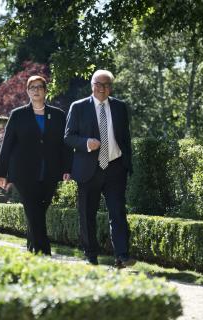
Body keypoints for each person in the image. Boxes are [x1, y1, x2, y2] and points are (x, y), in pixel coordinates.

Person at [64, 69, 134, 268]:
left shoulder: (120, 107)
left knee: (118, 213)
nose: (102, 88)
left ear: (111, 87)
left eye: (106, 85)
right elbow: (68, 137)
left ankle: (122, 256)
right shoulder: (78, 107)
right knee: (87, 215)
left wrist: (127, 164)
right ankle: (90, 256)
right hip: (88, 169)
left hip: (115, 168)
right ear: (91, 85)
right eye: (98, 84)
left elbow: (125, 138)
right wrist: (86, 142)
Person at [0, 75, 71, 255]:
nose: (36, 90)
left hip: (50, 172)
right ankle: (43, 250)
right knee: (33, 209)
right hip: (23, 172)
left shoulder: (59, 115)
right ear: (27, 91)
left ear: (45, 91)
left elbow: (65, 145)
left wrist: (67, 168)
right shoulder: (18, 115)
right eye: (32, 87)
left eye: (39, 87)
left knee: (38, 211)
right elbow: (7, 145)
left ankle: (32, 245)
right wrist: (0, 173)